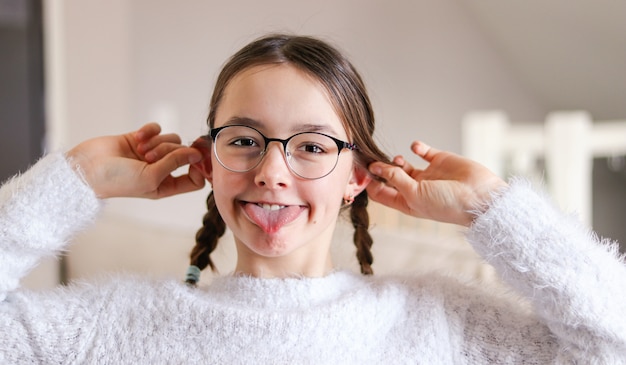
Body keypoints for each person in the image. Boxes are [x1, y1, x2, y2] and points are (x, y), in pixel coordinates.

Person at [1, 34, 625, 364]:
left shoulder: (441, 323)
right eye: (245, 140)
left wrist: (493, 207)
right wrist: (73, 181)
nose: (272, 171)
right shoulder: (112, 329)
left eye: (311, 147)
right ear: (209, 161)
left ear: (357, 175)